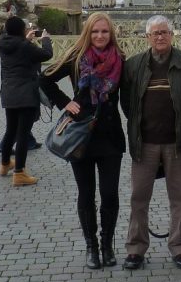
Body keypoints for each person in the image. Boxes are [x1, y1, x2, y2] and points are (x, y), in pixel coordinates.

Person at [119, 15, 181, 270]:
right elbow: (127, 103)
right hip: (143, 142)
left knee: (180, 197)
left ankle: (179, 248)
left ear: (172, 35)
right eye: (155, 33)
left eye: (164, 32)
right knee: (138, 197)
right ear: (147, 37)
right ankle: (135, 248)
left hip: (176, 143)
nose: (160, 37)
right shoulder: (134, 65)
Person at [42, 13, 124, 268]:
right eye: (96, 31)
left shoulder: (120, 60)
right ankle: (92, 247)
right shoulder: (77, 58)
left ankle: (107, 244)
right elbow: (44, 78)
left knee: (109, 194)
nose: (100, 36)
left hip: (110, 136)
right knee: (86, 194)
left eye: (105, 32)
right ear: (88, 32)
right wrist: (66, 102)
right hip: (81, 136)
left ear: (111, 34)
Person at [0, 17, 53, 187]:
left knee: (10, 131)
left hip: (9, 92)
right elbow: (46, 55)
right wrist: (45, 40)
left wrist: (26, 41)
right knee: (22, 134)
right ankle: (19, 172)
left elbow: (18, 51)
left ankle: (5, 164)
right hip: (26, 94)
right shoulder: (25, 46)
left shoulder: (2, 44)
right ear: (21, 30)